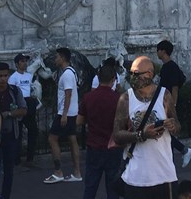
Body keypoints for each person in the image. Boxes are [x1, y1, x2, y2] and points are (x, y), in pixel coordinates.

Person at [111, 55, 180, 198]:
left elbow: (177, 126)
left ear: (149, 74)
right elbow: (117, 136)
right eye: (130, 73)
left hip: (164, 175)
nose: (132, 77)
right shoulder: (126, 99)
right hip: (136, 177)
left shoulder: (164, 95)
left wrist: (173, 126)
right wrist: (142, 135)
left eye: (136, 74)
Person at [77, 62, 122, 199]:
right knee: (113, 188)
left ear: (98, 77)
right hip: (113, 147)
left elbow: (79, 121)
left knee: (90, 187)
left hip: (94, 146)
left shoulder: (88, 97)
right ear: (113, 79)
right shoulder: (119, 99)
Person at [44, 46, 83, 183]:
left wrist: (64, 114)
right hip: (71, 112)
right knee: (72, 140)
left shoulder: (67, 74)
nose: (55, 59)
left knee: (52, 139)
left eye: (57, 57)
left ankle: (58, 171)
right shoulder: (71, 72)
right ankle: (77, 172)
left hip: (65, 113)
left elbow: (68, 94)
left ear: (62, 58)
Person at [0, 62, 26, 198]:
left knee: (9, 170)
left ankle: (5, 196)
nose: (2, 79)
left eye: (5, 76)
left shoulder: (14, 91)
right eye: (0, 76)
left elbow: (23, 109)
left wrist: (9, 114)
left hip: (10, 135)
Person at [157, 40, 191, 167]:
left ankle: (182, 152)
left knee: (167, 132)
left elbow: (174, 88)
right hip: (165, 104)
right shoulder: (166, 67)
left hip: (169, 104)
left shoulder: (171, 67)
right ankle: (182, 152)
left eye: (158, 50)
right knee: (166, 132)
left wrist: (173, 106)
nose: (157, 53)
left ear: (163, 51)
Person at [10, 53, 40, 166]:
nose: (25, 63)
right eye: (22, 61)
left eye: (25, 61)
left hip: (29, 102)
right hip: (19, 103)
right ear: (17, 64)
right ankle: (16, 158)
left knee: (33, 130)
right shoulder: (13, 78)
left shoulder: (28, 75)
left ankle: (30, 157)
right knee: (18, 132)